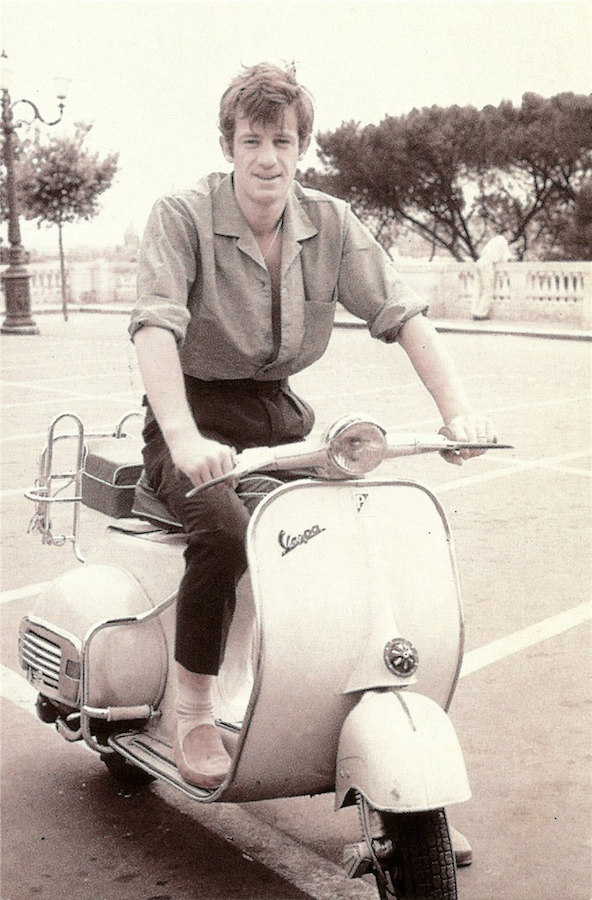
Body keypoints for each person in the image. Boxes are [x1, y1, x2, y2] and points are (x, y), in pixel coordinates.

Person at [129, 63, 493, 864]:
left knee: (349, 531)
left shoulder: (329, 222)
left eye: (282, 140)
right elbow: (155, 328)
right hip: (189, 412)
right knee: (224, 530)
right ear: (227, 145)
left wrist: (457, 413)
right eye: (251, 139)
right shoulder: (181, 216)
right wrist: (185, 439)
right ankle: (193, 709)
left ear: (303, 147)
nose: (267, 156)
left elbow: (403, 316)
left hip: (279, 413)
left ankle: (383, 762)